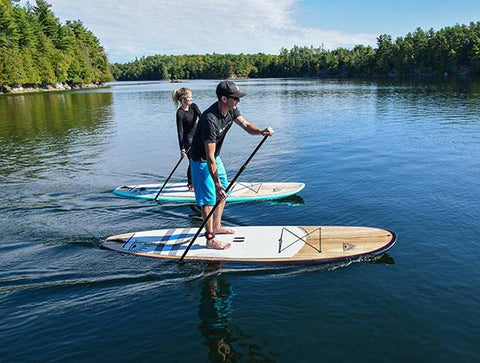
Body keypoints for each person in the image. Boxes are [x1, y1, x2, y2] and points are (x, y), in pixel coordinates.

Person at [190, 81, 274, 249]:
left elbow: (246, 125)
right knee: (208, 200)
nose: (238, 101)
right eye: (235, 98)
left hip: (215, 158)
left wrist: (261, 131)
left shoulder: (232, 110)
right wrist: (216, 184)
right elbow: (209, 156)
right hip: (201, 161)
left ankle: (217, 226)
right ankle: (209, 239)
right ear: (223, 98)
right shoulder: (209, 119)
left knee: (224, 192)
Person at [172, 87, 202, 191]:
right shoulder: (180, 113)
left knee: (202, 159)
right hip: (188, 139)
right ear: (183, 99)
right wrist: (182, 149)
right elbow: (180, 132)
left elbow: (202, 117)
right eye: (189, 97)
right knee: (192, 161)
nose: (191, 99)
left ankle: (199, 180)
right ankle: (190, 185)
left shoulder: (193, 106)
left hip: (197, 136)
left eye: (191, 97)